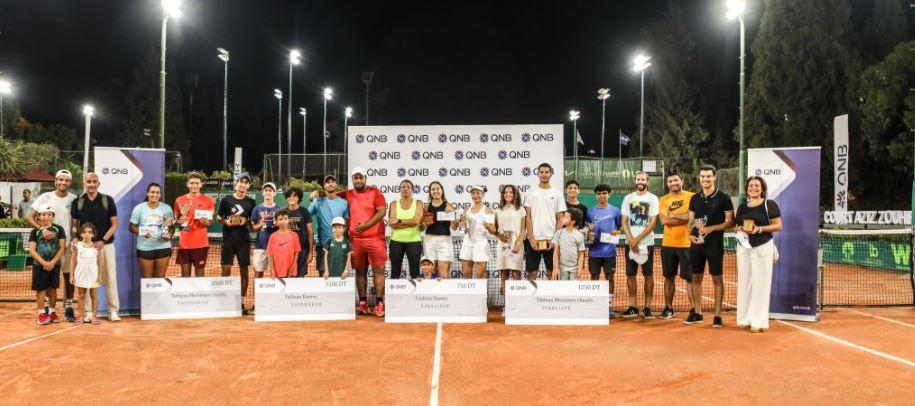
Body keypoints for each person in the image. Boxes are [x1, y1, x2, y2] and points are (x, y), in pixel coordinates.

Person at [312, 168, 387, 316]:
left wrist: (367, 225)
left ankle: (379, 303)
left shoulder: (376, 193)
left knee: (378, 269)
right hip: (356, 240)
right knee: (360, 271)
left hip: (375, 238)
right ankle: (363, 303)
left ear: (365, 178)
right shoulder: (348, 193)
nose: (358, 180)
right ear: (352, 179)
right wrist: (318, 193)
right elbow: (331, 194)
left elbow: (382, 212)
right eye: (355, 178)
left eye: (360, 178)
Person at [686, 165, 735, 328]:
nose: (705, 179)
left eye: (708, 176)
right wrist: (689, 234)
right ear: (699, 178)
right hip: (697, 244)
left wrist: (711, 228)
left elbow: (731, 222)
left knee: (717, 279)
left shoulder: (724, 198)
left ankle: (717, 316)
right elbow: (691, 220)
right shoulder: (694, 198)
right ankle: (698, 313)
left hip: (714, 244)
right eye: (702, 176)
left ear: (714, 177)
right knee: (695, 278)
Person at [70, 172, 120, 321]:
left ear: (98, 184)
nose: (91, 184)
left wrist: (102, 241)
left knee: (110, 278)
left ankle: (113, 311)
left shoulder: (107, 200)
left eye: (94, 182)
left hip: (106, 245)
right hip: (85, 248)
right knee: (86, 279)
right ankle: (88, 312)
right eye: (88, 182)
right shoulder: (77, 202)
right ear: (84, 183)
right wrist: (75, 239)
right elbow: (74, 226)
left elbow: (114, 224)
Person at [735, 176, 782, 333]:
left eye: (756, 185)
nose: (753, 188)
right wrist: (739, 230)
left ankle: (758, 321)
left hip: (762, 246)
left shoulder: (769, 204)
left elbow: (778, 225)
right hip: (743, 247)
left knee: (761, 284)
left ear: (762, 188)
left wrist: (759, 229)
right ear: (747, 189)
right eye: (750, 185)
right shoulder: (742, 207)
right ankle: (744, 319)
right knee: (745, 283)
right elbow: (737, 226)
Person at [29, 170, 78, 321]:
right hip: (46, 249)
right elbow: (30, 217)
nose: (63, 182)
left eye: (66, 180)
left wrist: (76, 237)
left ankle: (68, 306)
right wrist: (42, 229)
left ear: (70, 182)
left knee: (68, 275)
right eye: (60, 179)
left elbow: (77, 221)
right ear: (55, 181)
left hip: (67, 244)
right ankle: (45, 311)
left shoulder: (74, 199)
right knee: (47, 279)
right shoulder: (45, 197)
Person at [620, 172, 660, 319]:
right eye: (638, 179)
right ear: (635, 181)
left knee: (648, 275)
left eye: (643, 179)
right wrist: (631, 239)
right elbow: (624, 221)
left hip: (647, 244)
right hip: (630, 243)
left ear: (647, 181)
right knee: (630, 275)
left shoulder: (653, 198)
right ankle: (633, 306)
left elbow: (653, 222)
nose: (640, 181)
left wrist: (637, 240)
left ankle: (647, 307)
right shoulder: (628, 198)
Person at [217, 173, 257, 313]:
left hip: (243, 242)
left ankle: (240, 303)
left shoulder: (251, 202)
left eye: (246, 182)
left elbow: (252, 222)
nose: (243, 184)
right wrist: (225, 221)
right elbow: (218, 217)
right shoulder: (226, 200)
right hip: (227, 240)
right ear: (237, 183)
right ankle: (225, 302)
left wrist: (244, 221)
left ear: (248, 186)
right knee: (225, 270)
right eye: (241, 181)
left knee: (244, 272)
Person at [658, 172, 695, 320]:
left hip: (687, 244)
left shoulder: (692, 197)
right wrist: (683, 217)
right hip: (668, 244)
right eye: (670, 181)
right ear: (667, 184)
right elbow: (664, 221)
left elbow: (691, 217)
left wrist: (673, 216)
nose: (673, 183)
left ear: (682, 181)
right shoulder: (663, 199)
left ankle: (694, 309)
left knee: (690, 278)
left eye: (676, 180)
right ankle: (668, 308)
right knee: (669, 277)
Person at [523, 163, 567, 281]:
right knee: (532, 274)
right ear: (538, 173)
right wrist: (531, 238)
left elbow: (560, 218)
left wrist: (555, 239)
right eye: (541, 172)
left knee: (552, 272)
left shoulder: (557, 193)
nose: (544, 174)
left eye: (546, 172)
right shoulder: (530, 193)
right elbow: (528, 217)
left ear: (551, 173)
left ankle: (552, 298)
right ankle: (530, 299)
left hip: (551, 240)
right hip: (533, 241)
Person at [29, 204, 67, 325]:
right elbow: (32, 250)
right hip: (39, 265)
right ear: (39, 216)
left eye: (49, 214)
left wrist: (52, 262)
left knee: (52, 289)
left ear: (52, 216)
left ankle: (51, 312)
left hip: (54, 265)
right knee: (41, 289)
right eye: (43, 214)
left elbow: (62, 248)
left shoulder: (59, 229)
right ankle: (41, 314)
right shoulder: (35, 231)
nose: (46, 217)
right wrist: (44, 263)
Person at [586, 183, 621, 314]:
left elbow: (619, 227)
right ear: (596, 195)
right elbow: (587, 229)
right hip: (594, 251)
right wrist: (589, 234)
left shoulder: (615, 211)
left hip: (609, 252)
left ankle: (608, 305)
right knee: (594, 276)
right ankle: (594, 304)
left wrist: (617, 231)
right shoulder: (590, 211)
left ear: (609, 194)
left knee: (610, 277)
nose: (602, 196)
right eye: (599, 193)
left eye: (604, 193)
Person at [173, 173, 215, 278]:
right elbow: (176, 220)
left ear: (201, 184)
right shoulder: (179, 200)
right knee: (185, 276)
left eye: (197, 183)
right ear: (187, 184)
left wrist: (207, 222)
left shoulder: (208, 200)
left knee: (200, 276)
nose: (194, 186)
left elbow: (210, 222)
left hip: (200, 243)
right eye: (192, 183)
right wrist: (178, 221)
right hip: (184, 244)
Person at [129, 183, 175, 278]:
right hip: (145, 248)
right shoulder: (139, 208)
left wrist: (169, 235)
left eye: (158, 192)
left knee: (160, 278)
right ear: (147, 193)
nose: (155, 194)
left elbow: (171, 227)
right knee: (147, 278)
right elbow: (131, 227)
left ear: (160, 195)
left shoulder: (167, 208)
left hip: (163, 246)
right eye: (152, 192)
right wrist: (142, 232)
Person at [308, 175, 349, 278]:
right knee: (323, 275)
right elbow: (306, 216)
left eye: (333, 182)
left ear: (336, 185)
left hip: (340, 245)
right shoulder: (317, 201)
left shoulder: (344, 203)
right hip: (323, 245)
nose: (330, 184)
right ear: (324, 185)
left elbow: (346, 223)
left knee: (340, 275)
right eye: (328, 182)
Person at [421, 181, 457, 279]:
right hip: (429, 241)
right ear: (430, 192)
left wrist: (452, 217)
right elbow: (421, 228)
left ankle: (443, 294)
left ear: (442, 191)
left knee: (443, 274)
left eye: (438, 189)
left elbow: (454, 227)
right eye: (433, 189)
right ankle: (431, 295)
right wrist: (424, 224)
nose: (435, 191)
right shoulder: (426, 207)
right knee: (430, 272)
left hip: (444, 242)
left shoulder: (448, 205)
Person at [389, 179, 424, 280]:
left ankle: (415, 295)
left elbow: (417, 221)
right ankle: (395, 295)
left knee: (415, 272)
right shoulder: (393, 203)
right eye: (403, 187)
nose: (405, 189)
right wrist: (410, 223)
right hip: (396, 241)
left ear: (412, 190)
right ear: (399, 189)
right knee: (395, 271)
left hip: (414, 241)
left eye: (408, 187)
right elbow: (392, 223)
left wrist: (399, 221)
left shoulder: (418, 203)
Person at [494, 184, 526, 295]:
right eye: (505, 192)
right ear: (502, 195)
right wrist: (501, 236)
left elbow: (523, 230)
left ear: (515, 194)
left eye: (511, 192)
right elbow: (494, 230)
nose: (508, 194)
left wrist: (518, 243)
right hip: (503, 245)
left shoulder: (521, 209)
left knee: (516, 273)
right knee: (504, 274)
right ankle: (505, 304)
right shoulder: (498, 210)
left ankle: (516, 302)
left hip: (516, 244)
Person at [459, 185, 496, 279]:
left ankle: (481, 293)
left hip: (481, 244)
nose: (475, 195)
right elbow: (462, 231)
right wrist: (461, 224)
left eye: (478, 193)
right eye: (473, 193)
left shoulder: (488, 210)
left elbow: (493, 231)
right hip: (467, 243)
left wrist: (487, 226)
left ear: (483, 195)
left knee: (480, 276)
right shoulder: (466, 211)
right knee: (466, 275)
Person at [70, 223, 102, 325]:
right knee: (81, 296)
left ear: (93, 234)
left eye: (89, 232)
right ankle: (80, 317)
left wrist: (99, 276)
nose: (87, 234)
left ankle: (94, 316)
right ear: (80, 234)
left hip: (94, 276)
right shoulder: (77, 246)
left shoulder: (96, 247)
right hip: (80, 274)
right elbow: (73, 261)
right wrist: (71, 275)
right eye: (84, 232)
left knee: (94, 295)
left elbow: (100, 262)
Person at [252, 182, 281, 292]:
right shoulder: (257, 209)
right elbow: (253, 227)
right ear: (263, 192)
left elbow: (283, 228)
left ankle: (275, 300)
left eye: (270, 190)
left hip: (276, 247)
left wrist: (279, 225)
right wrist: (260, 224)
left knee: (275, 273)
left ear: (274, 193)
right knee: (258, 273)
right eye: (266, 190)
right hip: (261, 245)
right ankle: (256, 301)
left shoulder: (279, 209)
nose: (268, 192)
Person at [284, 186, 314, 277]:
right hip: (288, 250)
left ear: (299, 198)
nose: (291, 198)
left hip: (303, 250)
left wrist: (310, 252)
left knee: (300, 277)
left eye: (294, 196)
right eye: (289, 196)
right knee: (288, 276)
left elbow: (310, 233)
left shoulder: (304, 211)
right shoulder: (283, 212)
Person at [551, 208, 586, 280]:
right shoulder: (558, 233)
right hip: (562, 268)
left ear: (573, 221)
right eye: (564, 216)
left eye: (566, 217)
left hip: (575, 269)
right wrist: (555, 267)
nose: (563, 218)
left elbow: (581, 254)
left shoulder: (579, 235)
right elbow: (555, 252)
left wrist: (579, 268)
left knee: (574, 289)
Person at [266, 209, 301, 278]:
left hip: (291, 272)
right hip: (277, 272)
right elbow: (270, 255)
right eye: (280, 219)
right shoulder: (273, 237)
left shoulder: (294, 235)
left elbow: (296, 252)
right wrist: (272, 270)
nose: (283, 221)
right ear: (276, 222)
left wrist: (293, 266)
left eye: (285, 219)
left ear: (288, 220)